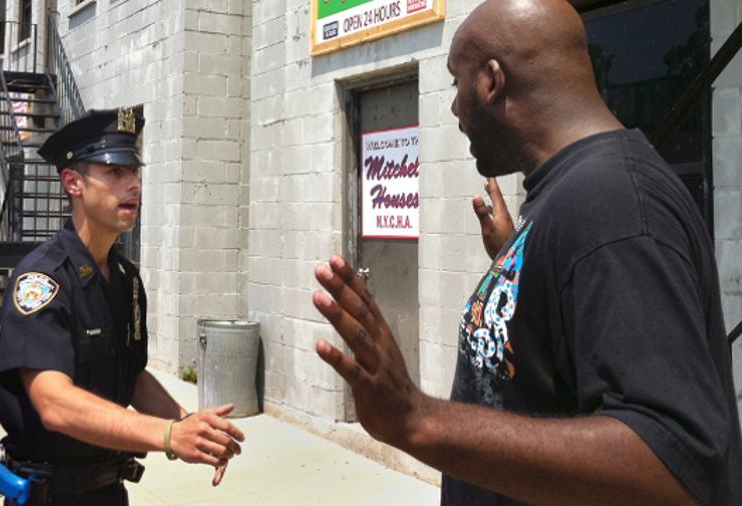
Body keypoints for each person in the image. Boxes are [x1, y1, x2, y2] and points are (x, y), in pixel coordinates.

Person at [311, 0, 742, 505]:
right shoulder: (572, 197)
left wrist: (418, 420)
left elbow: (673, 465)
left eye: (456, 84)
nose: (453, 109)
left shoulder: (614, 205)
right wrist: (520, 256)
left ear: (492, 82)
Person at [0, 108, 245, 506]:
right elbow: (53, 403)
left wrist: (189, 426)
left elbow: (132, 376)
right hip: (48, 496)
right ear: (73, 182)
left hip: (109, 492)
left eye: (135, 172)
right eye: (115, 172)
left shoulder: (125, 279)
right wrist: (166, 437)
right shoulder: (43, 280)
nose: (134, 185)